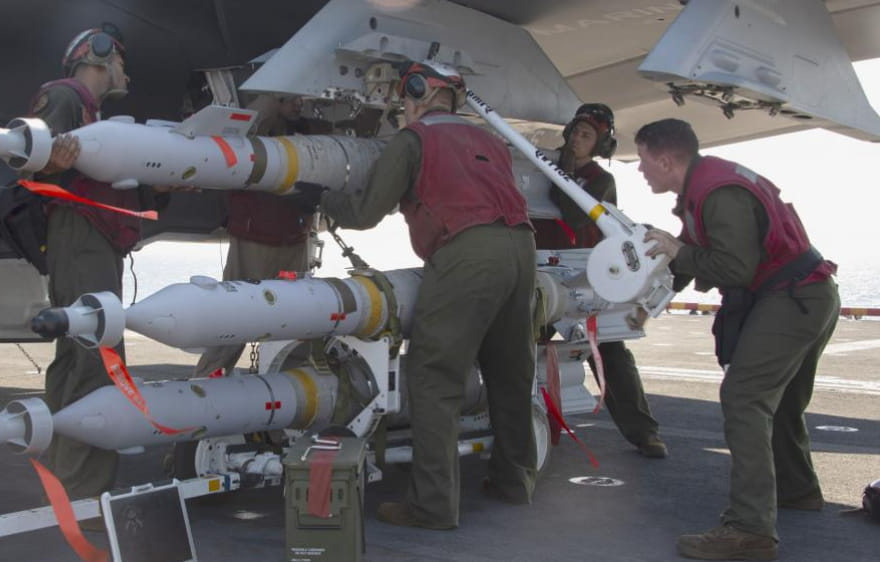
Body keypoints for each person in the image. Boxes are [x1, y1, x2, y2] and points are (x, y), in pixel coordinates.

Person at [298, 60, 538, 529]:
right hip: (521, 249)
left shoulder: (415, 140)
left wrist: (321, 199)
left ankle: (431, 505)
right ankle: (514, 480)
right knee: (511, 372)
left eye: (403, 99)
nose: (401, 109)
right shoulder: (491, 140)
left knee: (433, 377)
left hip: (467, 253)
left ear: (418, 93)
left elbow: (368, 212)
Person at [636, 118, 840, 560]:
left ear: (666, 159)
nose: (640, 171)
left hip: (791, 297)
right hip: (810, 293)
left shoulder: (718, 193)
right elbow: (690, 256)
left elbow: (734, 268)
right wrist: (643, 301)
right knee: (780, 400)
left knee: (745, 398)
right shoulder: (706, 184)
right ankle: (796, 488)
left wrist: (677, 250)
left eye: (644, 161)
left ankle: (750, 530)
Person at [33, 23, 169, 502]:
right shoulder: (66, 95)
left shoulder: (92, 115)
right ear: (99, 56)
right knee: (96, 356)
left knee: (77, 354)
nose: (124, 72)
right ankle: (83, 493)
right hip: (80, 238)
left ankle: (62, 477)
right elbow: (33, 153)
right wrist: (47, 158)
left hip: (90, 239)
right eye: (120, 62)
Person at [531, 103, 667, 459]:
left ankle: (644, 433)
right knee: (526, 348)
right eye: (575, 131)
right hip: (540, 270)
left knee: (608, 350)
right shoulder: (543, 165)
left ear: (599, 144)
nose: (577, 139)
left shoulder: (599, 180)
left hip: (583, 274)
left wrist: (560, 169)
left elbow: (576, 217)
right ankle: (527, 427)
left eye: (586, 135)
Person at [193, 94, 314, 377]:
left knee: (295, 322)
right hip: (254, 239)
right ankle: (205, 386)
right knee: (235, 320)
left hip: (294, 239)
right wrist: (276, 97)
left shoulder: (303, 129)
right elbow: (247, 127)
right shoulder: (250, 129)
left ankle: (289, 393)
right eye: (294, 98)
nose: (300, 103)